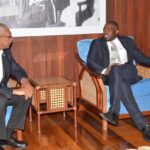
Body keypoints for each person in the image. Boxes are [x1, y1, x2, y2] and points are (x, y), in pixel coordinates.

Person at [87, 21, 150, 141]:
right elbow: (90, 61)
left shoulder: (127, 41)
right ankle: (145, 127)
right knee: (120, 82)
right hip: (110, 75)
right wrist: (105, 70)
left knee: (117, 69)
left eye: (110, 29)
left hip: (128, 72)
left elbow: (140, 57)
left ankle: (114, 111)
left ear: (117, 32)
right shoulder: (96, 43)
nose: (106, 31)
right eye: (105, 28)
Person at [0, 23, 32, 149]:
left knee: (26, 95)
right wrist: (13, 92)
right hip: (2, 93)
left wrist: (25, 81)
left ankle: (7, 136)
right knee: (1, 100)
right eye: (9, 37)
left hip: (3, 90)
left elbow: (16, 69)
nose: (11, 39)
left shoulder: (6, 52)